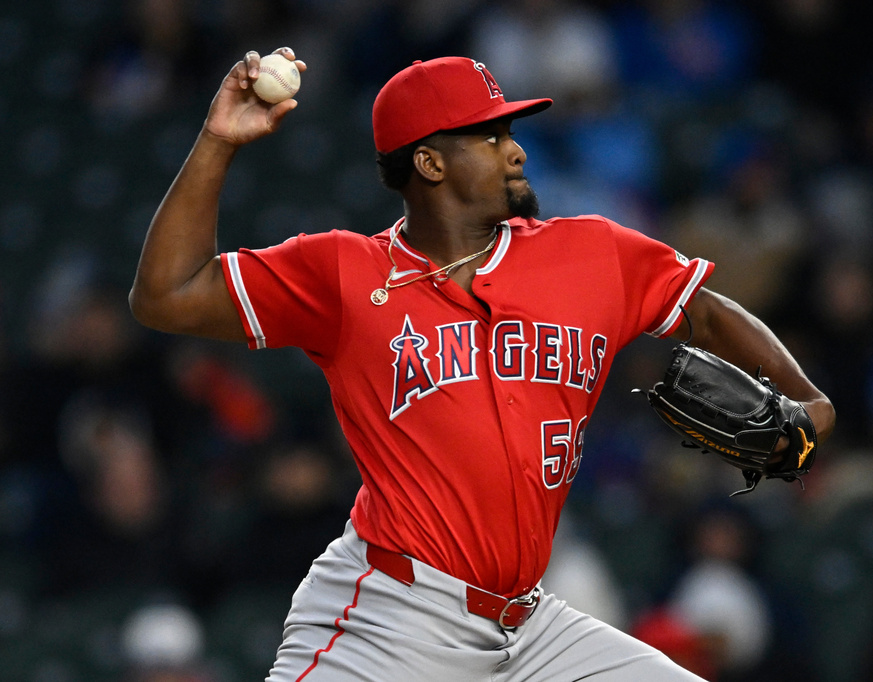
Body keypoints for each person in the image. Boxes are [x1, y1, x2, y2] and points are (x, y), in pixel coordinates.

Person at [129, 47, 835, 682]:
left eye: (511, 133)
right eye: (490, 137)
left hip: (529, 629)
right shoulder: (345, 273)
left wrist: (809, 400)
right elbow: (167, 294)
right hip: (390, 618)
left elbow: (706, 311)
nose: (515, 152)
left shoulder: (590, 254)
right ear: (430, 163)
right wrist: (218, 143)